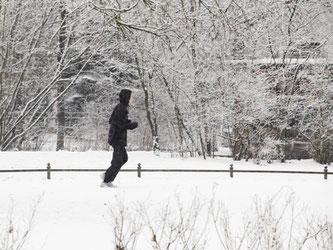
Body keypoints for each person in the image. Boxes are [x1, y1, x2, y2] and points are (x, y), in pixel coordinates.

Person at [101, 89, 138, 187]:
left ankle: (107, 175)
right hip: (117, 138)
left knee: (122, 158)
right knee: (119, 160)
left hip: (117, 138)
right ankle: (106, 180)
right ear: (126, 97)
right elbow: (121, 124)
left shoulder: (121, 107)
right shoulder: (121, 108)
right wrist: (132, 124)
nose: (132, 99)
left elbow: (113, 121)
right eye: (131, 97)